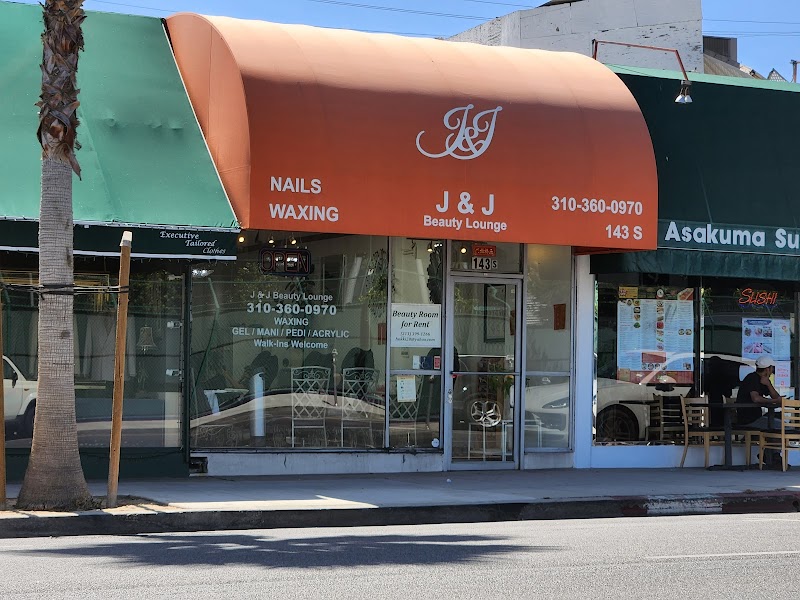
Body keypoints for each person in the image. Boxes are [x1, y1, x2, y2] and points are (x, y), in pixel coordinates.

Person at [736, 355, 783, 468]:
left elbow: (777, 397)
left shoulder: (762, 380)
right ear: (767, 369)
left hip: (756, 417)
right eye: (772, 369)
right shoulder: (752, 378)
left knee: (778, 419)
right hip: (749, 419)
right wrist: (773, 401)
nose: (772, 371)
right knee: (779, 426)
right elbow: (756, 398)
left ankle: (769, 455)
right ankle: (773, 456)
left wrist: (768, 384)